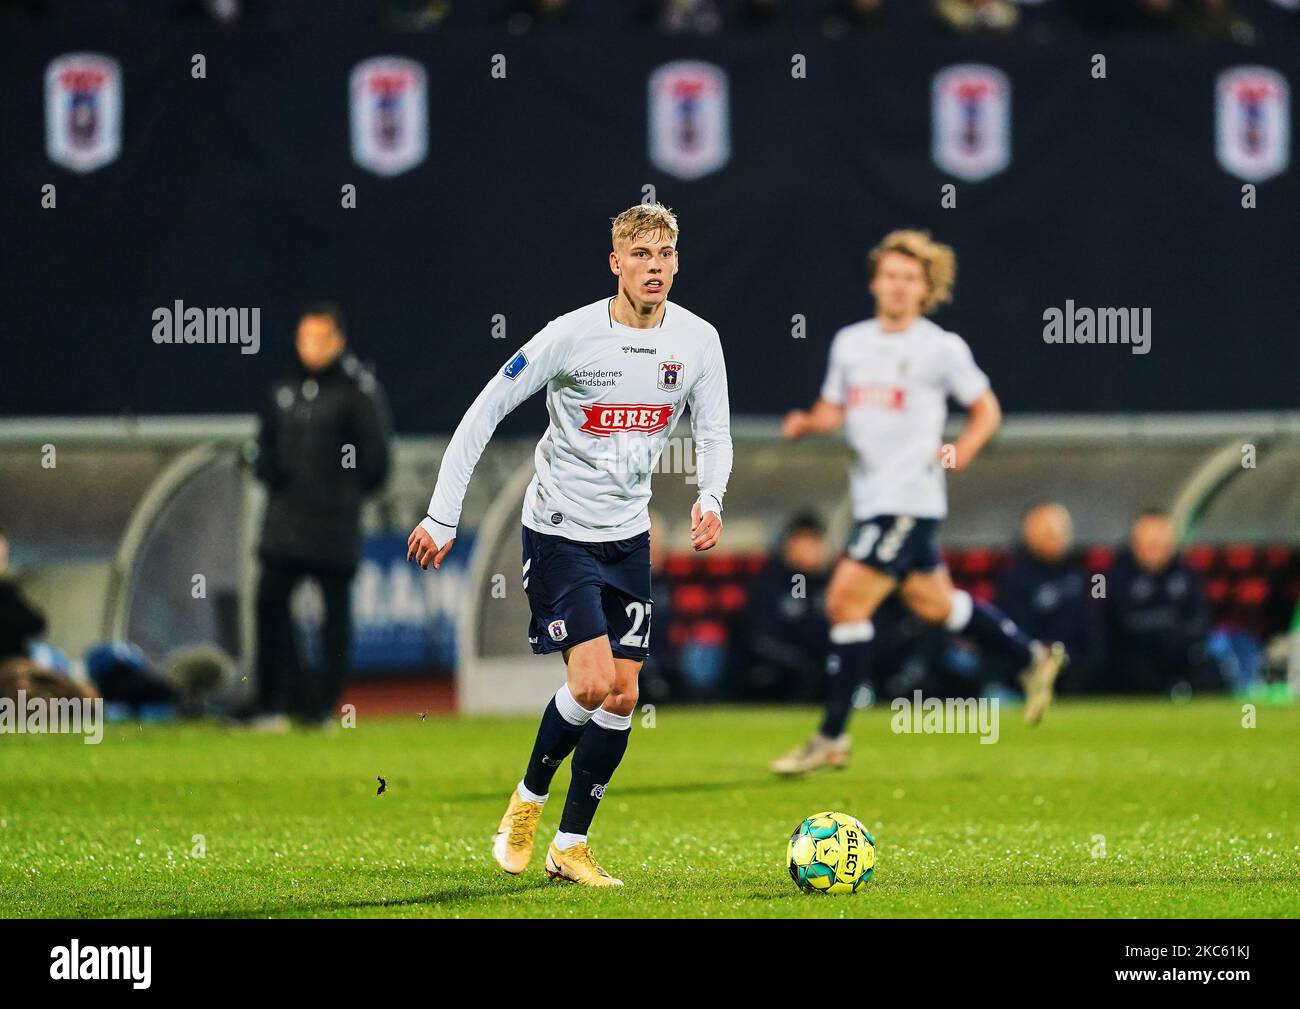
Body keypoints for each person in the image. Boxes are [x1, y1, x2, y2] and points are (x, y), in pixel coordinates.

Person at [407, 203, 732, 887]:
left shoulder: (699, 340)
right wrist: (442, 514)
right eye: (641, 254)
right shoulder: (571, 335)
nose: (655, 266)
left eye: (666, 253)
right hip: (558, 530)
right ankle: (526, 801)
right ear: (616, 263)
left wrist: (710, 497)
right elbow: (484, 409)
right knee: (591, 681)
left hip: (628, 538)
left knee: (622, 696)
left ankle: (571, 846)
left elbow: (715, 431)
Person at [771, 230, 1066, 777]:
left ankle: (831, 736)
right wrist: (809, 424)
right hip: (872, 499)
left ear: (926, 288)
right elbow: (833, 410)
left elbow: (986, 408)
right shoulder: (850, 343)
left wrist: (965, 448)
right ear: (876, 281)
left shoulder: (940, 347)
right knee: (939, 605)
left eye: (910, 278)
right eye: (890, 275)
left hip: (909, 497)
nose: (899, 286)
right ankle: (1030, 656)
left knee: (843, 603)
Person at [252, 303, 393, 729]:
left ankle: (321, 708)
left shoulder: (357, 391)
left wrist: (341, 495)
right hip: (284, 526)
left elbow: (376, 462)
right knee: (270, 605)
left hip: (333, 528)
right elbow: (264, 449)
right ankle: (274, 701)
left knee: (333, 617)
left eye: (319, 339)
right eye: (304, 339)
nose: (310, 348)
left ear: (338, 341)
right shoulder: (284, 388)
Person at [1104, 509, 1214, 695]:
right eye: (1148, 537)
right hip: (1134, 660)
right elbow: (1119, 622)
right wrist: (1164, 628)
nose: (1154, 543)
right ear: (1135, 541)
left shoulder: (1188, 574)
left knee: (1210, 674)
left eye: (1160, 536)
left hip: (1182, 656)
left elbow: (1201, 620)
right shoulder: (1112, 576)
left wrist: (1175, 636)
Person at [726, 511, 831, 701]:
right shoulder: (769, 583)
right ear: (789, 545)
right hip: (779, 670)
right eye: (805, 541)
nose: (812, 549)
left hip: (820, 668)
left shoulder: (832, 583)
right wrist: (797, 661)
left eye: (816, 541)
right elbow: (757, 636)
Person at [997, 502, 1093, 689]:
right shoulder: (1013, 576)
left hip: (1078, 674)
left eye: (1058, 528)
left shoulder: (1088, 572)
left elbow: (1097, 616)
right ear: (1028, 532)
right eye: (1045, 528)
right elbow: (1012, 631)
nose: (1052, 533)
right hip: (1024, 675)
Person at [0, 527, 47, 665]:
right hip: (11, 674)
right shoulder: (5, 592)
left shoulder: (6, 592)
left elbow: (36, 623)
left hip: (13, 676)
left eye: (2, 557)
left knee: (21, 685)